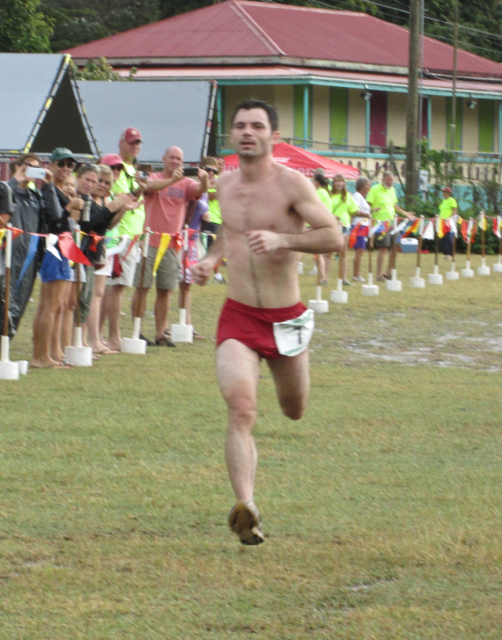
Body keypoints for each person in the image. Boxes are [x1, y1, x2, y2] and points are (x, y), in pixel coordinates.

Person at [191, 99, 342, 545]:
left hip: (287, 317)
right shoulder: (224, 184)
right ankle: (247, 507)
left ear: (273, 136)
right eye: (240, 126)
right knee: (241, 408)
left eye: (257, 126)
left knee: (293, 410)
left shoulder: (293, 184)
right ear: (232, 136)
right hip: (238, 315)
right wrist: (210, 260)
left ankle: (249, 501)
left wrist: (283, 238)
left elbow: (333, 236)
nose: (247, 132)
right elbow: (229, 234)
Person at [131, 146, 208, 346]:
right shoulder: (153, 177)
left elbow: (199, 191)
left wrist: (205, 179)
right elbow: (147, 187)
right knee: (142, 287)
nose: (175, 162)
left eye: (179, 159)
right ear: (163, 159)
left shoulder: (186, 183)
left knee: (166, 290)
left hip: (172, 244)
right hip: (149, 241)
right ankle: (136, 331)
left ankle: (160, 334)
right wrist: (172, 180)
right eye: (172, 158)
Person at [30, 148, 83, 368]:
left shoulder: (57, 190)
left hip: (61, 248)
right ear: (51, 165)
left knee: (53, 305)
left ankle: (44, 354)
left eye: (70, 165)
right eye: (61, 164)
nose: (65, 169)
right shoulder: (50, 188)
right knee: (49, 305)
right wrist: (71, 207)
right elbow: (55, 220)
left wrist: (71, 205)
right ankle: (40, 356)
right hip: (54, 249)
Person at [3, 154, 60, 337]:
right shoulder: (6, 189)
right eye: (27, 165)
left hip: (30, 259)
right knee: (5, 304)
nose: (30, 170)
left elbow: (56, 215)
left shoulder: (36, 195)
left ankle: (5, 353)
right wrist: (15, 180)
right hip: (7, 256)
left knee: (19, 305)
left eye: (36, 167)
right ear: (18, 166)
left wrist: (49, 185)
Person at [102, 129, 147, 351]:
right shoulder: (118, 170)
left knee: (113, 286)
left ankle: (103, 336)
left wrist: (140, 189)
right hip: (121, 235)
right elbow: (123, 200)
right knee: (115, 286)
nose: (135, 146)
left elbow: (131, 198)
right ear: (121, 143)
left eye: (138, 143)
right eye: (131, 143)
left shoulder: (130, 170)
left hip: (131, 235)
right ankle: (113, 337)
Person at [179, 156, 218, 338]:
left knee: (187, 285)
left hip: (193, 239)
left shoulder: (205, 193)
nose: (211, 174)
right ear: (200, 170)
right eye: (208, 170)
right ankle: (181, 324)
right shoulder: (194, 188)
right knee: (182, 283)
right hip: (184, 238)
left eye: (215, 171)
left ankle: (187, 324)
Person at [366, 171, 415, 282]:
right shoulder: (375, 189)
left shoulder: (392, 190)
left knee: (395, 246)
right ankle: (378, 275)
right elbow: (367, 205)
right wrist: (371, 213)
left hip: (393, 224)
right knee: (383, 248)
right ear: (382, 180)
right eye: (387, 179)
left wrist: (405, 213)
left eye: (391, 179)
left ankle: (388, 272)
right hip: (380, 224)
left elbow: (394, 205)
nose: (390, 181)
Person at [328, 173, 359, 286]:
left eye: (341, 181)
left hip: (345, 226)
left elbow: (354, 210)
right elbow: (325, 210)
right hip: (332, 226)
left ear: (344, 183)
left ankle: (343, 278)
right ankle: (324, 278)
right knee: (328, 252)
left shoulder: (348, 196)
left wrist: (367, 212)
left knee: (343, 253)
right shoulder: (329, 196)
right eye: (336, 181)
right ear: (333, 183)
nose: (338, 183)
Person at [351, 177, 372, 282]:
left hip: (363, 226)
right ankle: (356, 275)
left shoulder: (361, 197)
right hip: (359, 226)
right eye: (368, 185)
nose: (369, 187)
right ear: (362, 186)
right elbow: (355, 211)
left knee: (361, 251)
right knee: (359, 251)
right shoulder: (357, 196)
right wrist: (367, 214)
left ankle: (357, 274)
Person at [438, 186, 458, 259]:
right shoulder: (443, 201)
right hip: (441, 222)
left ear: (448, 193)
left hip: (448, 222)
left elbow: (454, 211)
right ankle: (446, 254)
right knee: (442, 239)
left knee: (448, 238)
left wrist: (450, 218)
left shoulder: (451, 200)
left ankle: (451, 254)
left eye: (444, 192)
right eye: (443, 192)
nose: (443, 193)